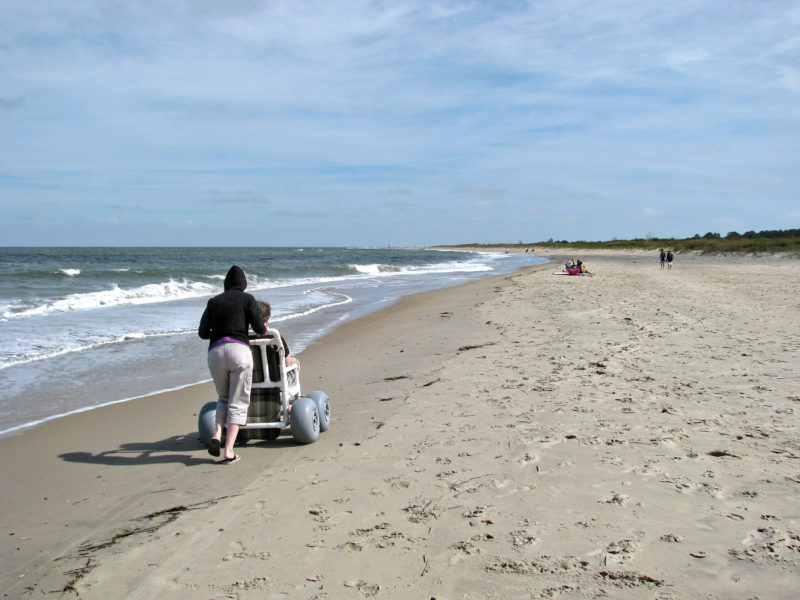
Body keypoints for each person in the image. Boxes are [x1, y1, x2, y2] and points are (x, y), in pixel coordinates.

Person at [198, 265, 266, 464]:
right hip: (239, 352)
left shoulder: (213, 302)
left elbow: (202, 333)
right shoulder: (247, 299)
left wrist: (221, 332)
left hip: (216, 352)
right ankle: (228, 450)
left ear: (226, 284)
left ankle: (217, 434)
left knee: (223, 397)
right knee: (238, 401)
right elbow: (259, 328)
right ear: (243, 284)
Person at [256, 300, 299, 372]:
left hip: (250, 379)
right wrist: (294, 360)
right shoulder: (274, 336)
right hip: (275, 378)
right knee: (293, 363)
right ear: (267, 318)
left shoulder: (243, 337)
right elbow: (288, 362)